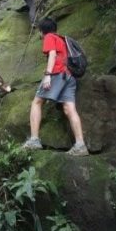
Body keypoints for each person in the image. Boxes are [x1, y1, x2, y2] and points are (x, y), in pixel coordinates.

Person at [23, 17, 89, 156]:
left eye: (39, 31)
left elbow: (52, 55)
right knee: (69, 108)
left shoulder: (49, 37)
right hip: (70, 76)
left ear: (42, 31)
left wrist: (48, 74)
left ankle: (34, 140)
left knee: (37, 102)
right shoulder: (61, 39)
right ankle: (80, 145)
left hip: (58, 74)